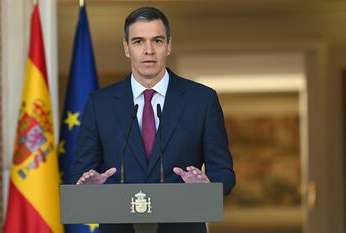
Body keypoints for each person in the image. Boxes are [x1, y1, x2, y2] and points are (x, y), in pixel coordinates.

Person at [69, 6, 235, 233]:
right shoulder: (100, 103)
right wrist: (92, 184)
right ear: (126, 48)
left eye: (157, 40)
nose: (148, 50)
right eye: (138, 41)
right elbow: (80, 170)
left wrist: (207, 186)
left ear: (169, 45)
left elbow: (224, 173)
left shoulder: (202, 100)